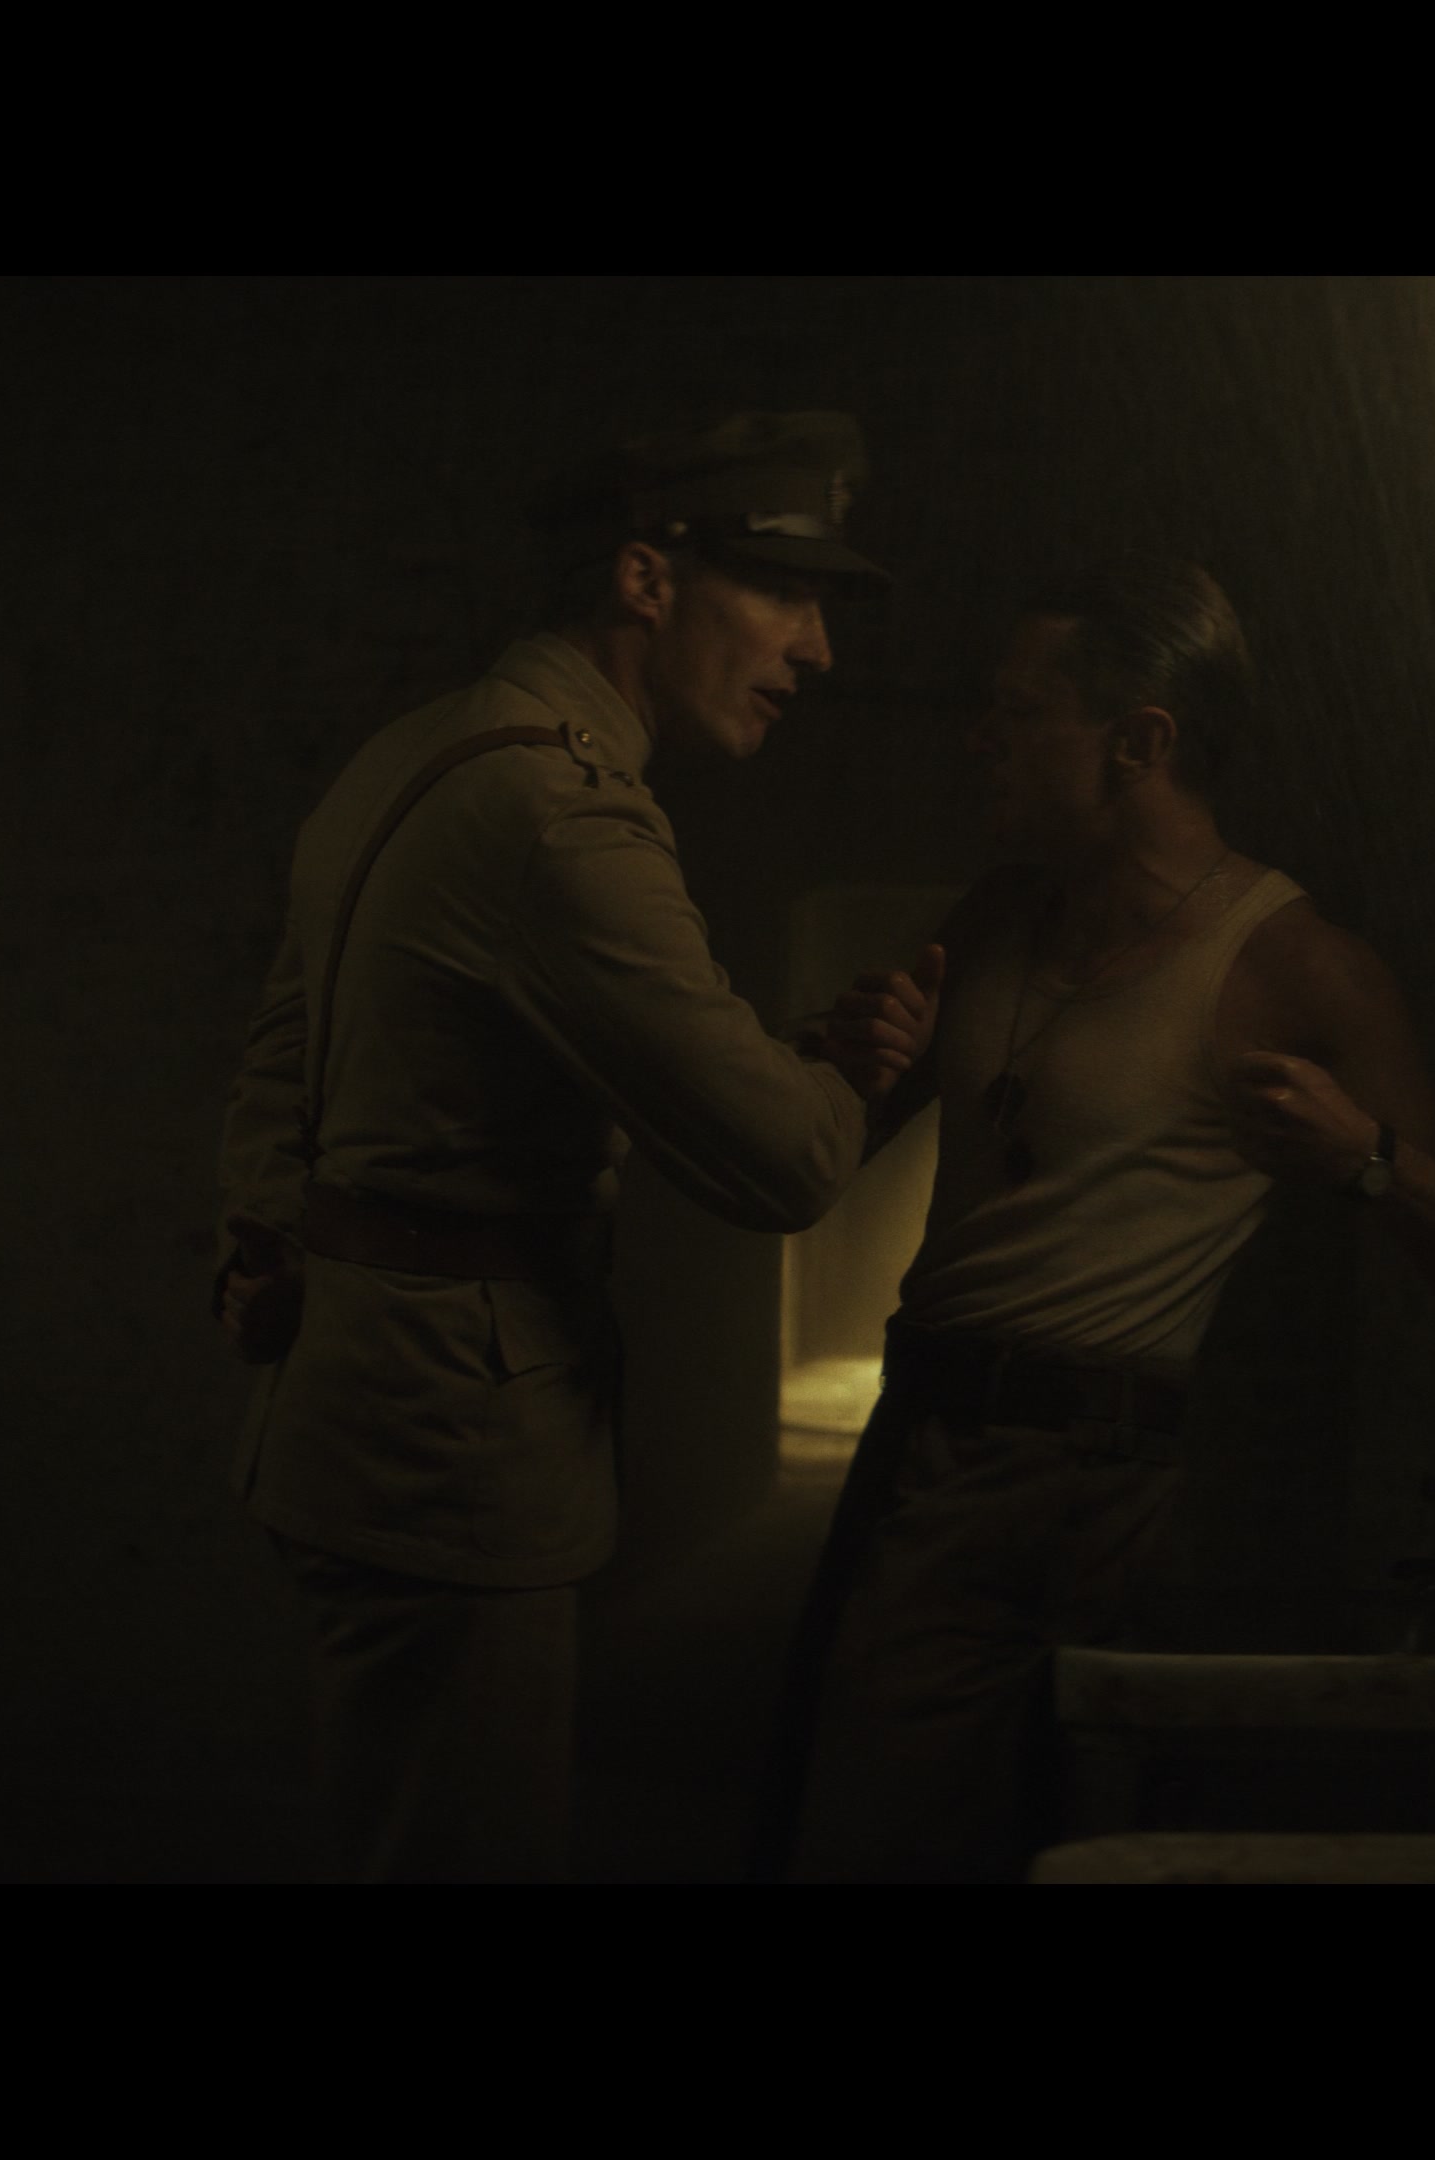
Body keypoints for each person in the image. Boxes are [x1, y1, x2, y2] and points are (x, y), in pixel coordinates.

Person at [768, 557, 1435, 1883]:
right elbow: (816, 1143)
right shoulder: (998, 915)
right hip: (930, 1447)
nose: (979, 739)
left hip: (1117, 1489)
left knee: (1078, 1843)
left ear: (1140, 744)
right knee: (848, 1824)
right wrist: (849, 1057)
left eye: (1019, 713)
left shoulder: (1297, 966)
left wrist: (1365, 1160)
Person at [214, 412, 898, 1882]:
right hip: (451, 1462)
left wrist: (278, 1255)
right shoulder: (560, 817)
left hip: (344, 1416)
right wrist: (855, 1071)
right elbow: (784, 1163)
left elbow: (279, 1072)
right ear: (647, 581)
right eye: (787, 594)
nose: (819, 648)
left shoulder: (416, 752)